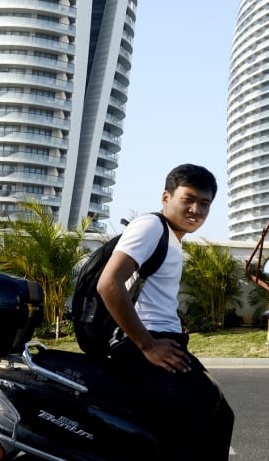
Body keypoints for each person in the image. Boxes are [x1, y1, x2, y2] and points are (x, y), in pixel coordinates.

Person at [97, 164, 233, 459]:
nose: (196, 209)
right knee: (206, 419)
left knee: (208, 416)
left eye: (204, 203)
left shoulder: (170, 237)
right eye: (188, 199)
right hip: (142, 344)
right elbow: (109, 284)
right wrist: (147, 345)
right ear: (166, 197)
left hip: (158, 338)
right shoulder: (150, 227)